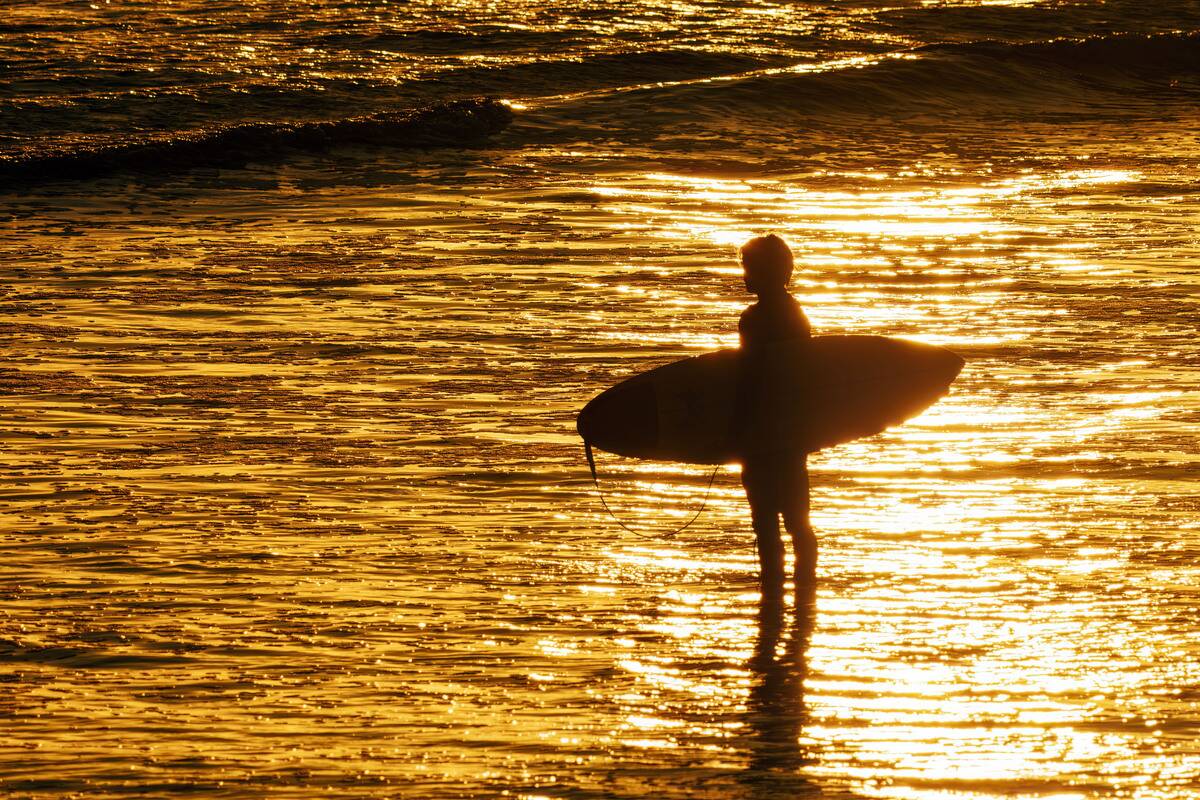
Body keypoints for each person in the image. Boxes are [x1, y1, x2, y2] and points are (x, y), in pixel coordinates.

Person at [734, 234, 816, 595]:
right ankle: (804, 596)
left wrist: (732, 431)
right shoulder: (797, 314)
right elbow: (805, 376)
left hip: (762, 433)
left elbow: (750, 379)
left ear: (763, 271)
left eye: (747, 267)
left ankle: (773, 596)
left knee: (765, 519)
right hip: (793, 432)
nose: (744, 275)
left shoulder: (754, 319)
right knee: (798, 518)